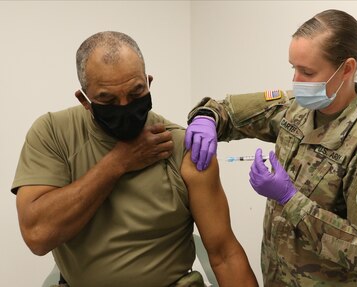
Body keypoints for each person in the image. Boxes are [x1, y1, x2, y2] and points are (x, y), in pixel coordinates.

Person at [11, 31, 258, 287]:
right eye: (107, 99)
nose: (125, 106)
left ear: (148, 83)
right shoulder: (53, 133)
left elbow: (224, 254)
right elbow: (38, 235)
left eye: (136, 92)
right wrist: (117, 163)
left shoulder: (182, 148)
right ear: (84, 99)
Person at [185, 9, 357, 287]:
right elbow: (229, 112)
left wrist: (289, 198)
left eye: (308, 71)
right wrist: (206, 118)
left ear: (347, 68)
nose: (297, 81)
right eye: (294, 67)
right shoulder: (297, 109)